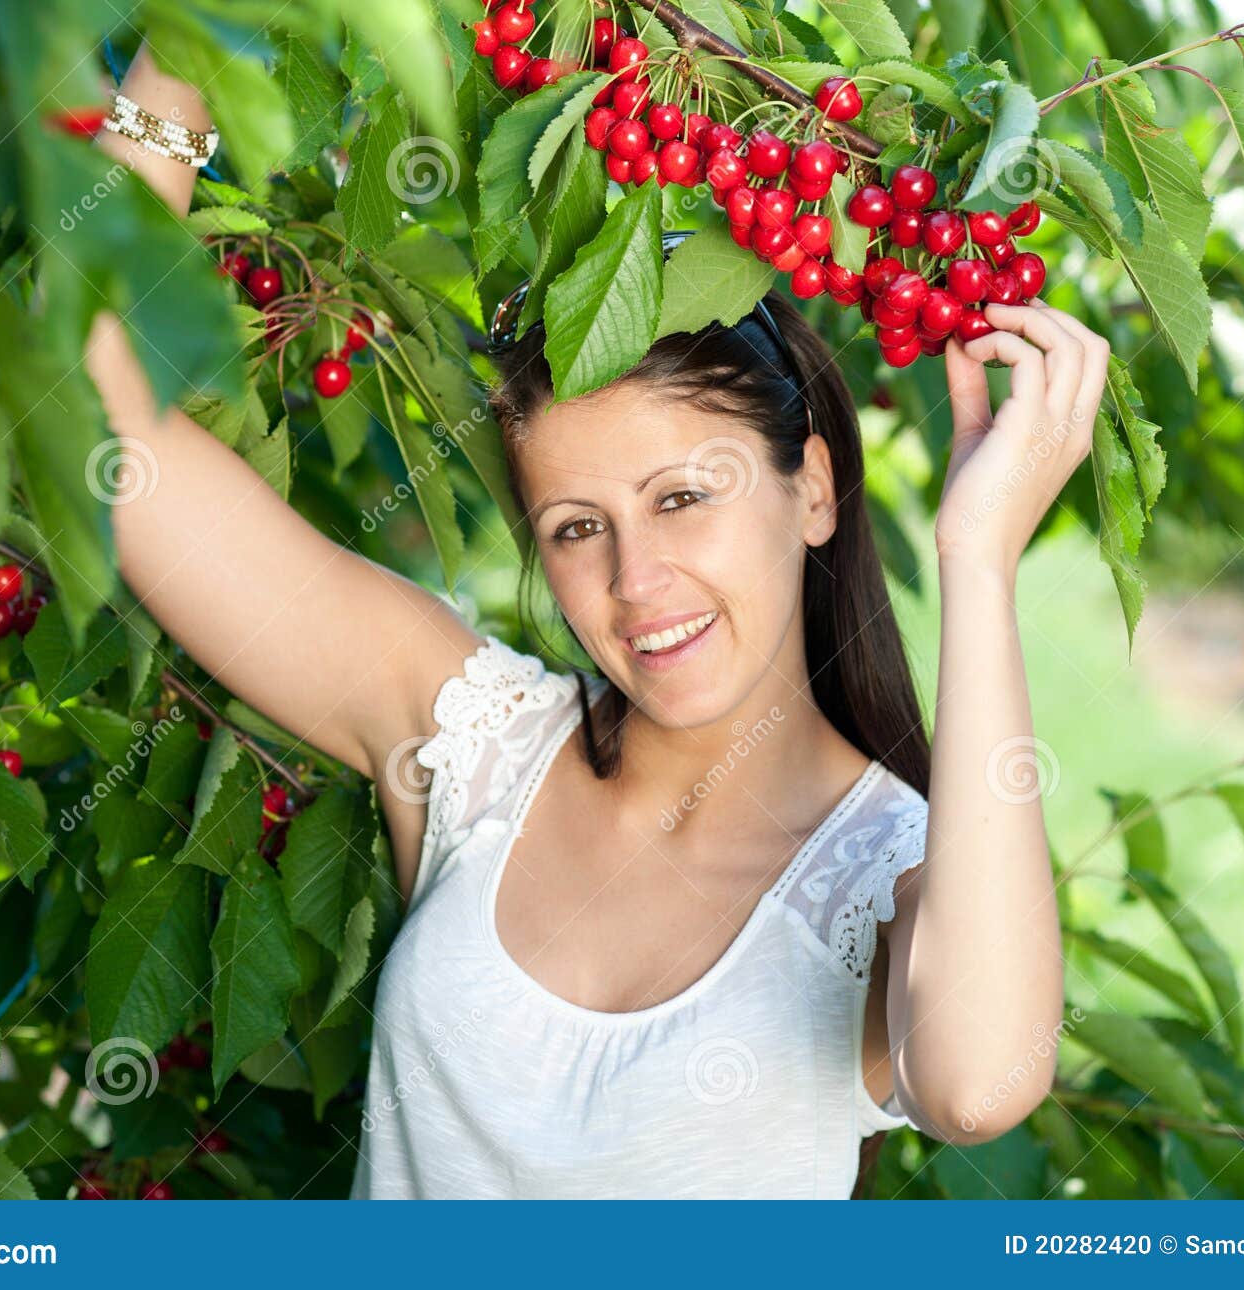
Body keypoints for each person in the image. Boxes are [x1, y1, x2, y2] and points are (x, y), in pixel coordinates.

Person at [88, 42, 1103, 1199]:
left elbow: (976, 1087)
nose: (636, 579)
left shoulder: (894, 875)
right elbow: (106, 434)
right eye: (577, 527)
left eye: (682, 498)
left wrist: (979, 563)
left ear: (813, 490)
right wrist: (191, 44)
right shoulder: (477, 744)